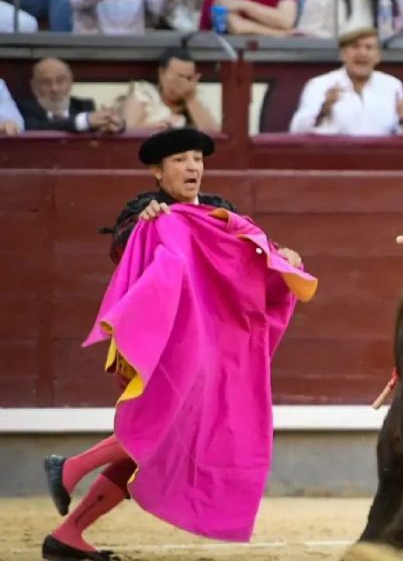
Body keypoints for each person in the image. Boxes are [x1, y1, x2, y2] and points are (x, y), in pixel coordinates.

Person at [41, 128, 308, 561]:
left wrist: (284, 255)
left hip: (211, 341)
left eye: (198, 160)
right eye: (181, 160)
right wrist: (146, 223)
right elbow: (125, 249)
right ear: (158, 171)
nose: (193, 168)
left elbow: (253, 253)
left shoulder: (220, 210)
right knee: (164, 426)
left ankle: (68, 533)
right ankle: (71, 468)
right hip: (165, 342)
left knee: (158, 439)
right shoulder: (144, 211)